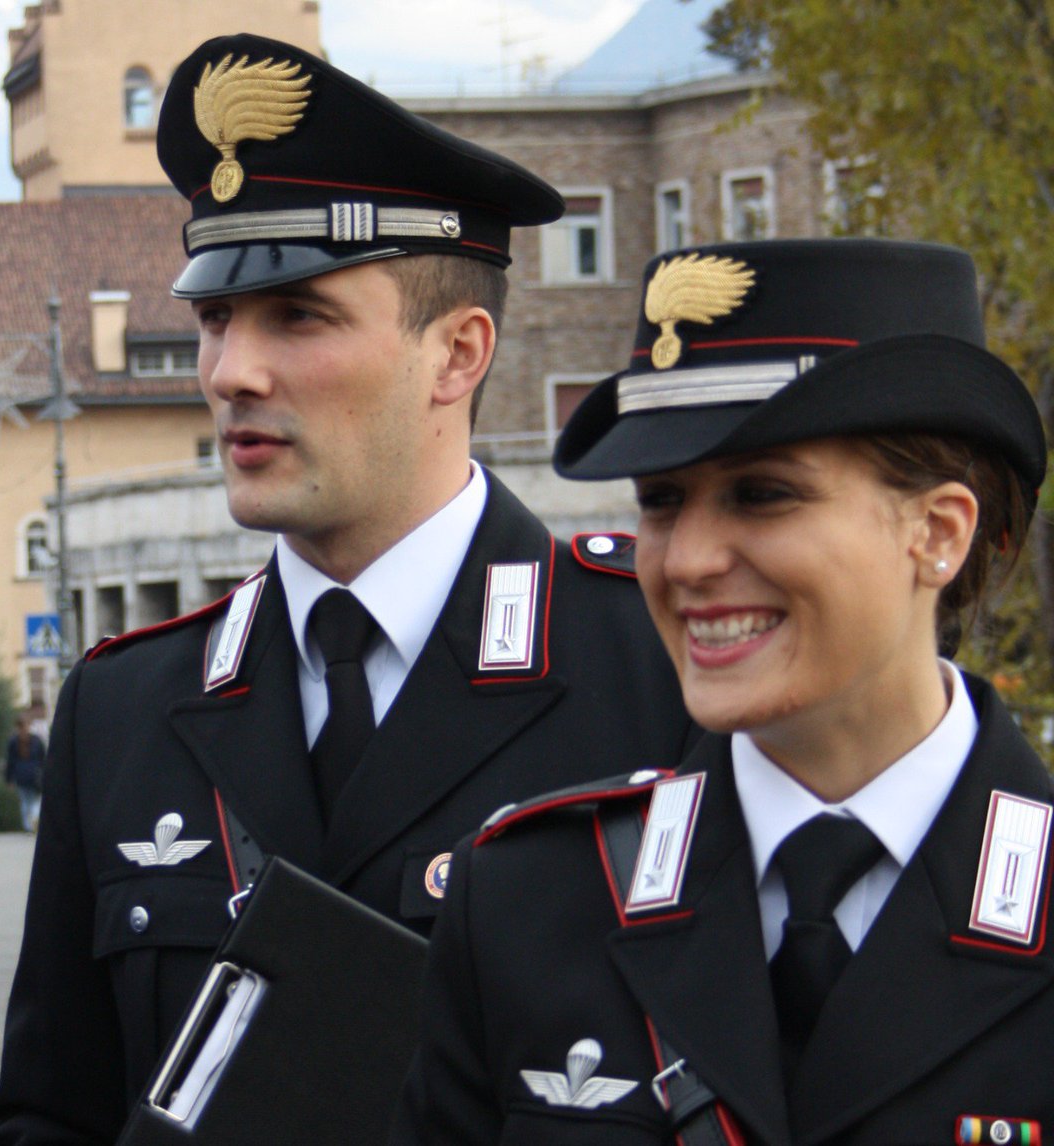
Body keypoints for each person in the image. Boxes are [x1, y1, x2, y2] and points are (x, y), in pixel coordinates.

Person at [0, 33, 694, 1145]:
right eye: (217, 319)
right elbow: (50, 1114)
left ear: (457, 355)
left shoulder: (658, 673)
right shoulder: (123, 709)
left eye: (297, 318)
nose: (228, 373)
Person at [392, 238, 1054, 1145]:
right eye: (663, 500)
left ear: (937, 533)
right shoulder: (528, 903)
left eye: (763, 495)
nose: (690, 561)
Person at [4, 713, 45, 832]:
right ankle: (34, 820)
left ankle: (27, 825)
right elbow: (43, 759)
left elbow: (10, 762)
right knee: (35, 800)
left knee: (24, 801)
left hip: (20, 775)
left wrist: (9, 779)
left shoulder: (13, 741)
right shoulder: (37, 741)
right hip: (34, 775)